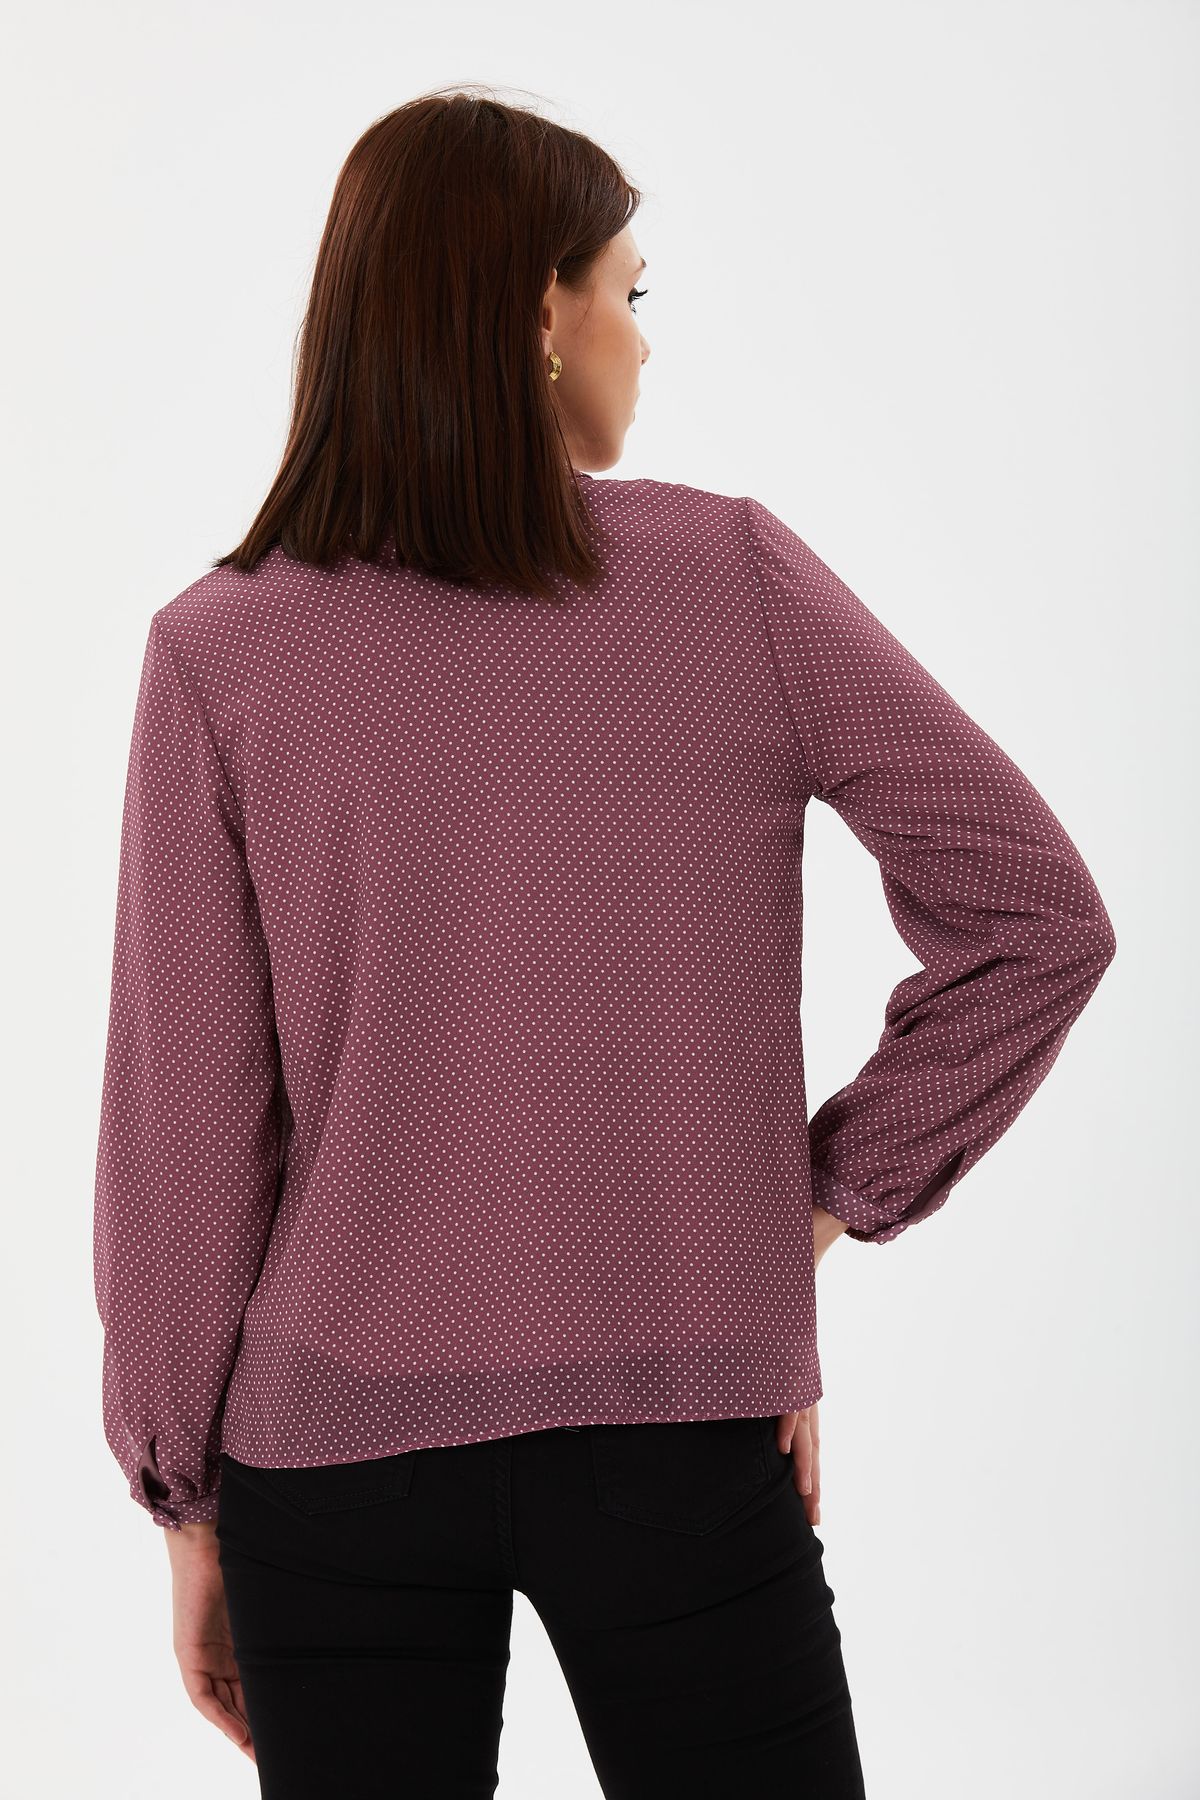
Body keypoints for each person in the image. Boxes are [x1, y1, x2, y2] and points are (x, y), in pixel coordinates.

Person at [92, 88, 1116, 1799]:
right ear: (536, 313)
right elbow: (1038, 916)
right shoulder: (731, 579)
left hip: (330, 1459)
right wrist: (804, 1211)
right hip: (674, 1427)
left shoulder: (222, 651)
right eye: (628, 292)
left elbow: (184, 1138)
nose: (644, 338)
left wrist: (185, 1504)